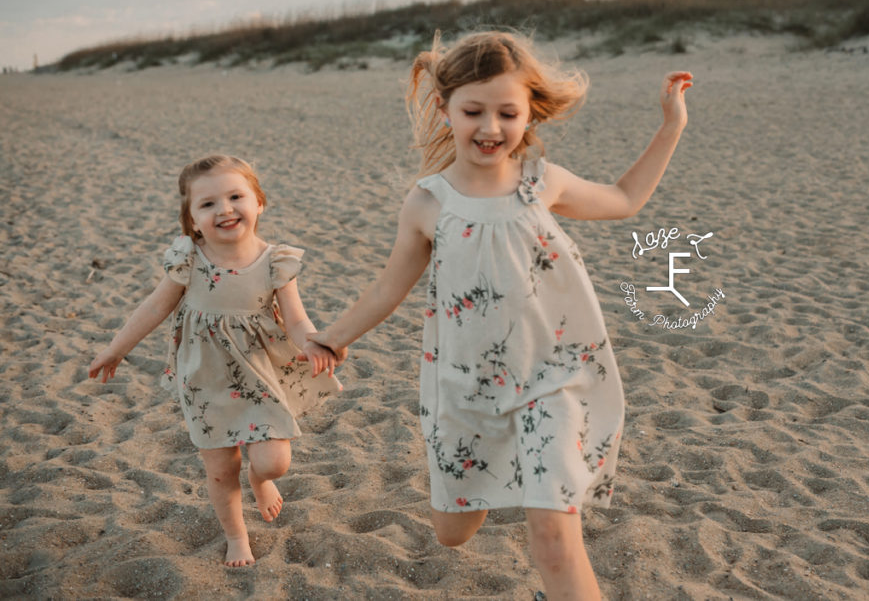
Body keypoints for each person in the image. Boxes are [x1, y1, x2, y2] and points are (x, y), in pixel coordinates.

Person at [311, 31, 692, 599]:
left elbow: (623, 199)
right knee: (453, 533)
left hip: (554, 380)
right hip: (466, 389)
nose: (490, 128)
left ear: (529, 113)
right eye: (473, 111)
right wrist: (329, 340)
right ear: (444, 110)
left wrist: (671, 126)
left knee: (554, 534)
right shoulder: (428, 203)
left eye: (507, 113)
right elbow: (387, 290)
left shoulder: (543, 183)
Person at [88, 154, 343, 567]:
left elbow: (296, 318)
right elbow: (154, 308)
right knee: (222, 468)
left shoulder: (275, 261)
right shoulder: (189, 259)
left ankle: (260, 482)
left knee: (274, 461)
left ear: (258, 202)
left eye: (235, 196)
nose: (224, 209)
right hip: (204, 377)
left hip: (259, 371)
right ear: (191, 220)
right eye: (207, 204)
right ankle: (236, 536)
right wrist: (116, 348)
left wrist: (316, 342)